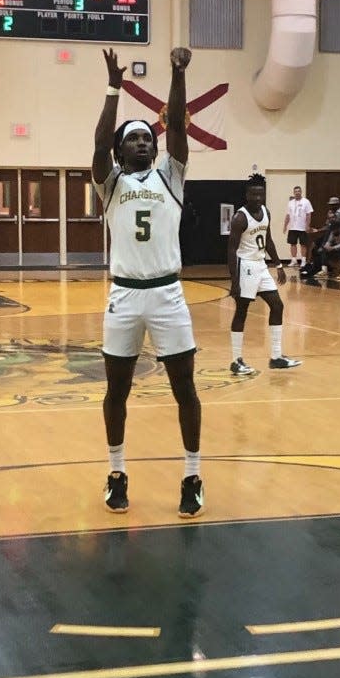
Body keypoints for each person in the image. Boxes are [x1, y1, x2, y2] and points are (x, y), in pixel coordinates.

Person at [92, 46, 203, 519]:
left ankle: (192, 475)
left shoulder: (170, 179)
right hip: (124, 295)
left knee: (185, 387)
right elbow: (97, 146)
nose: (143, 143)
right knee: (117, 391)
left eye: (146, 139)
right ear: (120, 151)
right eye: (133, 140)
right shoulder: (110, 182)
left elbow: (176, 126)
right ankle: (117, 472)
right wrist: (113, 89)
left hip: (167, 294)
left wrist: (178, 74)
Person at [229, 173, 301, 374]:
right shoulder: (240, 217)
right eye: (254, 194)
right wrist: (234, 280)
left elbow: (268, 240)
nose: (258, 198)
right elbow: (230, 250)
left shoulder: (265, 211)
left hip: (261, 265)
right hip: (245, 266)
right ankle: (236, 360)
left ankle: (276, 357)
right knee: (241, 312)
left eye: (261, 194)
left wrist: (278, 265)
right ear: (247, 195)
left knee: (277, 305)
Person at [283, 185, 313, 268]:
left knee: (303, 244)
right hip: (292, 227)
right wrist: (285, 226)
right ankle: (294, 260)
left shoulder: (306, 202)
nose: (297, 193)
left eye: (298, 191)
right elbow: (288, 215)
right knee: (292, 244)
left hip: (302, 227)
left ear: (301, 192)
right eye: (295, 192)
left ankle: (303, 260)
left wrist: (307, 225)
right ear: (294, 193)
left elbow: (308, 215)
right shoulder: (290, 203)